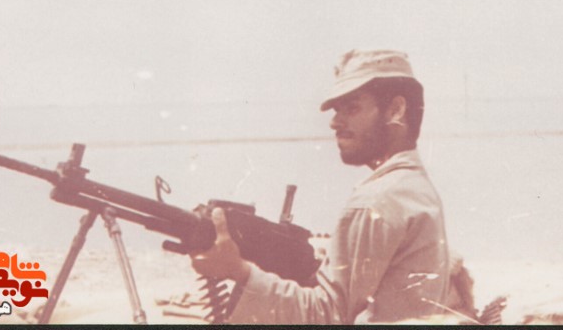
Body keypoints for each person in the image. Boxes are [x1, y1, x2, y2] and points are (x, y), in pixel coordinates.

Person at [190, 49, 452, 324]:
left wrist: (238, 271)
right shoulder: (415, 189)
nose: (335, 123)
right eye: (337, 111)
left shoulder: (378, 199)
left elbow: (328, 315)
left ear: (396, 110)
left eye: (352, 108)